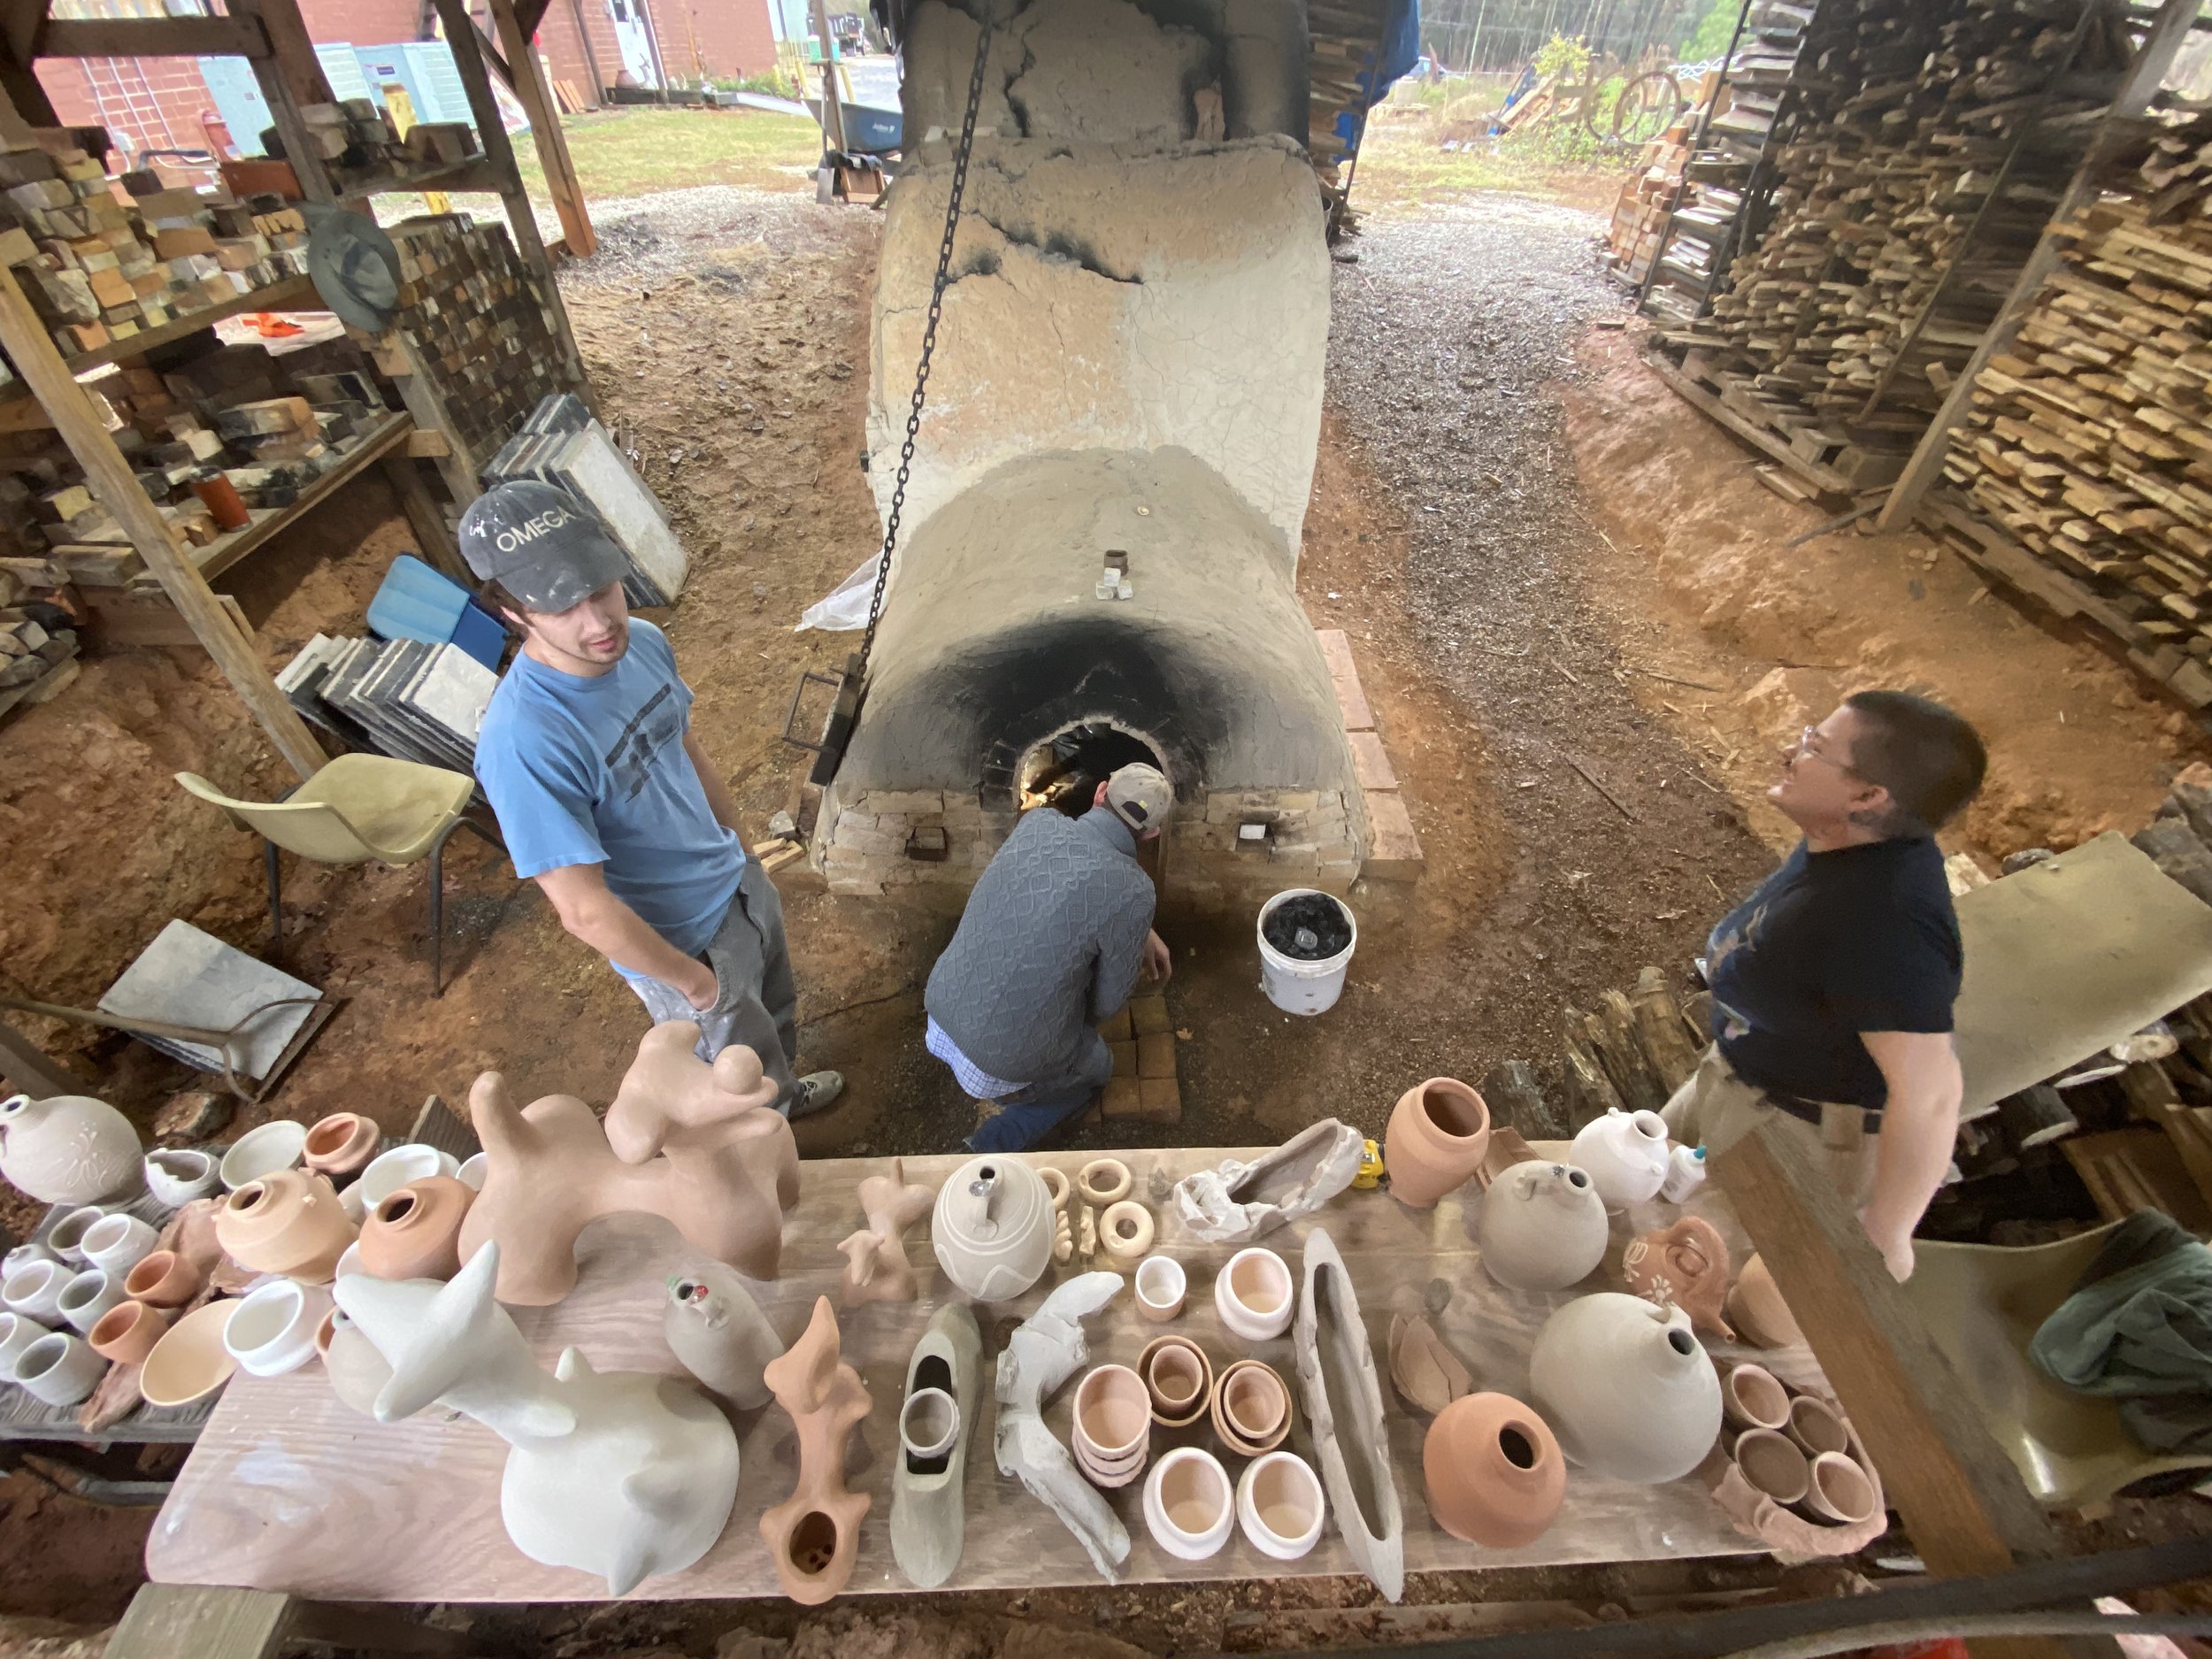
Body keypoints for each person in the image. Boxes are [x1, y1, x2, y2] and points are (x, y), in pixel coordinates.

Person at [464, 480, 842, 1120]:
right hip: (681, 943)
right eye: (564, 609)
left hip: (737, 886)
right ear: (513, 614)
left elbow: (687, 750)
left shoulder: (643, 643)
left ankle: (785, 1093)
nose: (600, 622)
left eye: (602, 589)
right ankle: (769, 1165)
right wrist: (693, 985)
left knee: (772, 1016)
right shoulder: (523, 743)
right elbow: (582, 910)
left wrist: (744, 855)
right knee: (733, 1091)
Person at [1661, 690, 1987, 1282]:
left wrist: (1888, 1230)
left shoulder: (1890, 926)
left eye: (1814, 747)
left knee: (1691, 1277)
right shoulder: (1848, 838)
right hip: (1741, 1076)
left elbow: (1932, 1093)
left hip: (1794, 1135)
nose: (1791, 750)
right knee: (1646, 1193)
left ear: (1869, 797)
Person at [925, 763, 1175, 1152]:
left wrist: (1139, 927)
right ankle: (987, 1145)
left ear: (1100, 792)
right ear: (1153, 833)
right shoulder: (1135, 891)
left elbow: (1074, 886)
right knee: (1098, 1066)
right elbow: (1106, 1004)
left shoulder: (1037, 823)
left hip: (939, 1017)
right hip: (999, 1067)